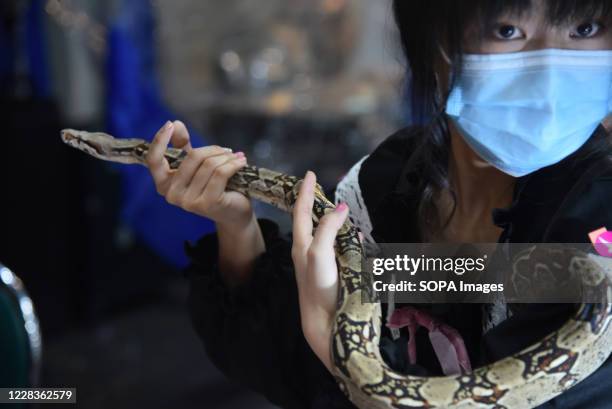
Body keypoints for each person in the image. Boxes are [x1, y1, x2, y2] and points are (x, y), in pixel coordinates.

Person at [145, 0, 612, 408]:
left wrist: (350, 362)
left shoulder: (599, 220)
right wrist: (237, 226)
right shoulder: (382, 186)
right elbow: (285, 368)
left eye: (586, 28)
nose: (552, 66)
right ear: (434, 44)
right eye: (508, 30)